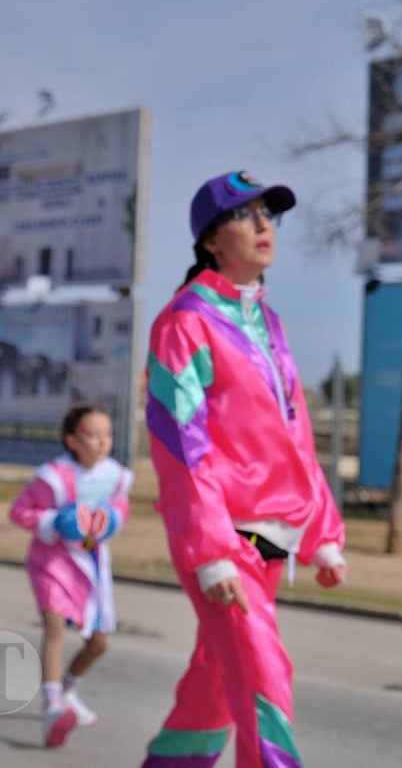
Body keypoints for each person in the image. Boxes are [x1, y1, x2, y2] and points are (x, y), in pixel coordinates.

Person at [140, 172, 347, 768]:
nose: (263, 227)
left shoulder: (268, 323)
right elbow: (181, 447)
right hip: (225, 543)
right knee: (264, 684)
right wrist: (210, 552)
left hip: (272, 542)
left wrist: (323, 536)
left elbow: (296, 434)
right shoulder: (185, 323)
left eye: (269, 214)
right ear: (210, 240)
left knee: (213, 691)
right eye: (245, 215)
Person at [8, 403, 133, 749]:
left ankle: (65, 690)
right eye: (92, 435)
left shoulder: (115, 475)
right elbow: (19, 512)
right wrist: (53, 521)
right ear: (72, 440)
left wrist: (114, 520)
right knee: (54, 625)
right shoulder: (54, 476)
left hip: (90, 564)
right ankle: (51, 708)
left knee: (99, 642)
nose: (101, 442)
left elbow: (122, 505)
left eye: (107, 434)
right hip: (51, 561)